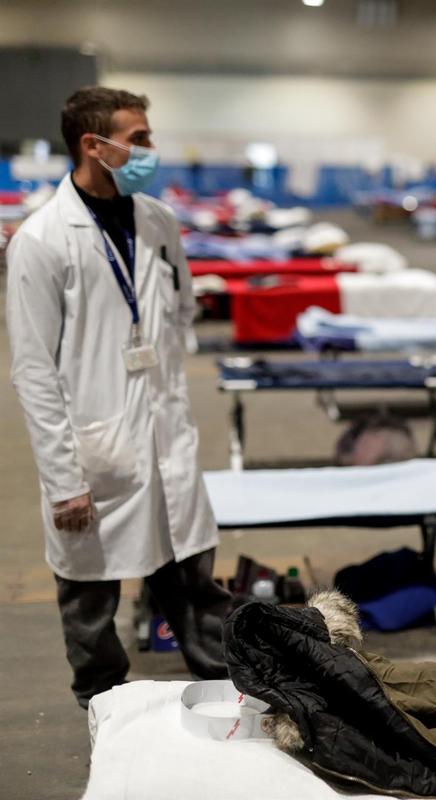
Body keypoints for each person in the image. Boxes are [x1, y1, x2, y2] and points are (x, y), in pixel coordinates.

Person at [6, 87, 229, 709]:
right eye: (139, 138)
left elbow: (180, 303)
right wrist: (63, 479)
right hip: (95, 445)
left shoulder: (157, 220)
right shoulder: (44, 240)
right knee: (90, 597)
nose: (150, 150)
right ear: (93, 145)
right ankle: (102, 706)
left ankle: (226, 696)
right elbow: (32, 370)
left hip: (163, 430)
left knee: (192, 577)